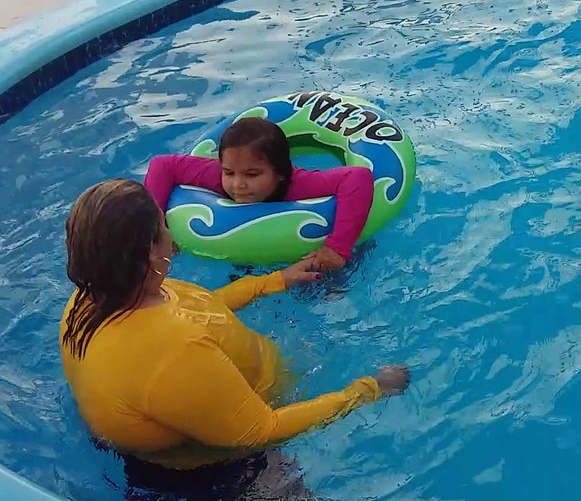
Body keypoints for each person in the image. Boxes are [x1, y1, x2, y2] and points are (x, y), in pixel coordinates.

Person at [59, 179, 410, 495]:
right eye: (164, 226)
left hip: (171, 429)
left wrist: (274, 281)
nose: (173, 238)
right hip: (221, 473)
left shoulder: (93, 297)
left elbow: (197, 306)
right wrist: (367, 391)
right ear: (150, 252)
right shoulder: (172, 354)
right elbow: (260, 431)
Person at [144, 117, 373, 270]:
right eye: (229, 172)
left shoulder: (298, 184)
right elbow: (162, 165)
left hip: (301, 251)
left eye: (252, 175)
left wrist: (338, 247)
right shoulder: (217, 176)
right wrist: (156, 229)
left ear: (280, 173)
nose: (237, 184)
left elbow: (358, 177)